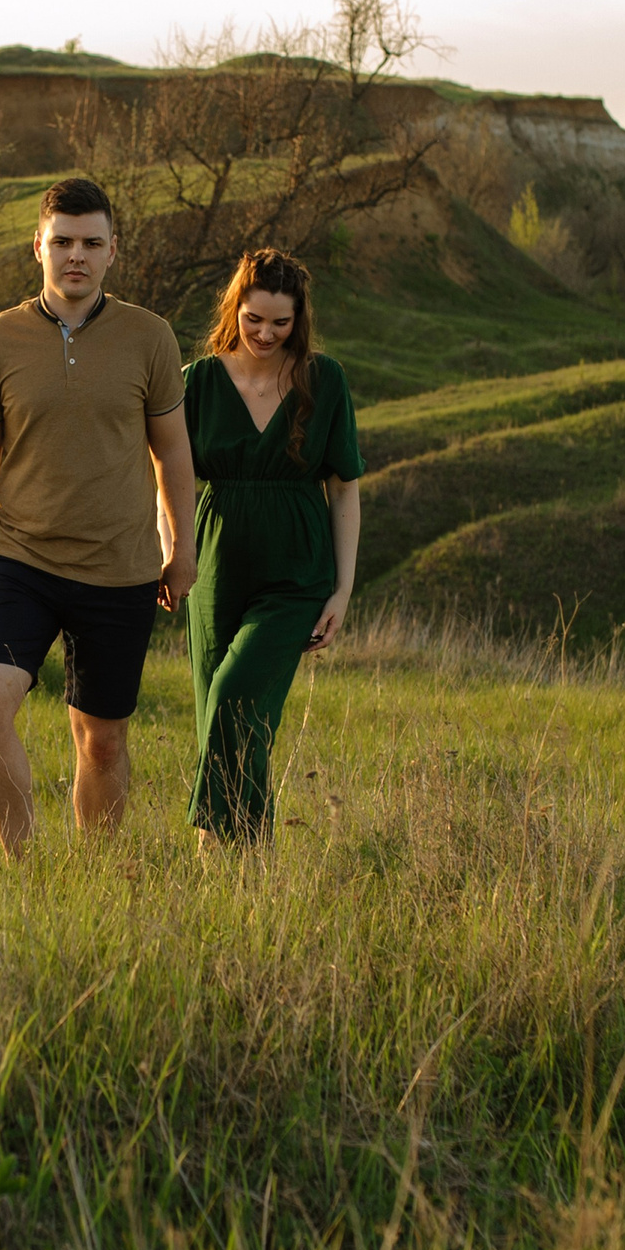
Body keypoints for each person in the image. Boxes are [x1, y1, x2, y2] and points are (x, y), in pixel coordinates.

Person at [0, 177, 197, 857]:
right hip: (20, 560)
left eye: (90, 242)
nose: (75, 255)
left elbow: (172, 452)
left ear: (114, 250)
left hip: (121, 570)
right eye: (62, 242)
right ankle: (26, 865)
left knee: (103, 741)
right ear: (38, 247)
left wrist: (183, 549)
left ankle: (100, 875)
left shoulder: (150, 338)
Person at [181, 249, 364, 843]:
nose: (264, 333)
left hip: (296, 571)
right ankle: (236, 867)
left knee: (238, 696)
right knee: (224, 714)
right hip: (213, 564)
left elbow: (344, 490)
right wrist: (173, 551)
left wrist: (343, 588)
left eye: (280, 323)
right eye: (253, 318)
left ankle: (225, 845)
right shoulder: (198, 382)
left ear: (299, 319)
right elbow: (169, 480)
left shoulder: (324, 380)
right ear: (234, 307)